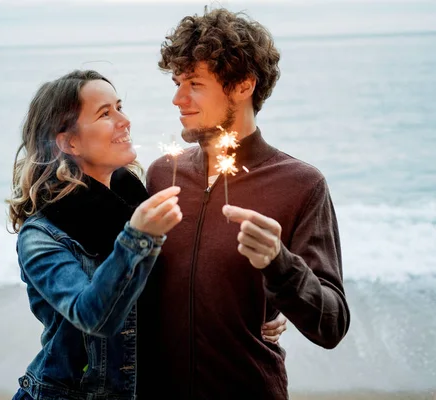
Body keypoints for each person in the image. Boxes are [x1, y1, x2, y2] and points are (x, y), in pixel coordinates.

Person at [137, 8, 351, 399]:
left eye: (195, 84)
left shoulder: (302, 184)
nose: (177, 98)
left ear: (243, 85)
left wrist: (281, 266)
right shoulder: (159, 176)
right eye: (177, 82)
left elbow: (332, 324)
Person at [6, 70, 184, 400]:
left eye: (119, 107)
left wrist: (256, 314)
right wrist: (137, 236)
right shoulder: (42, 236)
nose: (124, 120)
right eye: (105, 113)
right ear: (68, 141)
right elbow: (94, 318)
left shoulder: (136, 200)